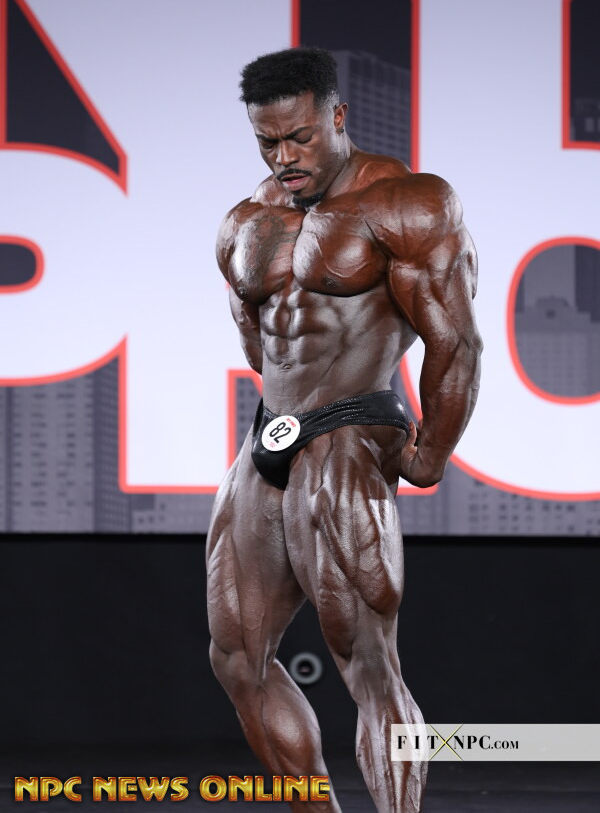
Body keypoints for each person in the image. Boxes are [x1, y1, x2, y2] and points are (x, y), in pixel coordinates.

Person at [207, 47, 482, 812]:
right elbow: (257, 339)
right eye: (268, 142)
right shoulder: (247, 220)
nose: (285, 157)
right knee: (236, 658)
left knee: (368, 666)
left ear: (337, 116)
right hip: (269, 437)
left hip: (350, 432)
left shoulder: (406, 203)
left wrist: (430, 452)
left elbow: (456, 341)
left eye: (300, 137)